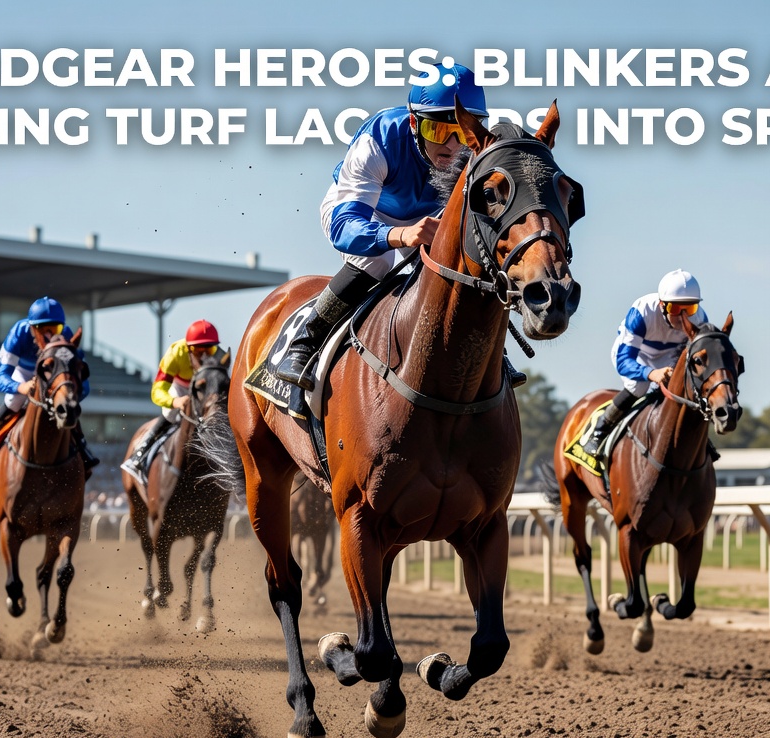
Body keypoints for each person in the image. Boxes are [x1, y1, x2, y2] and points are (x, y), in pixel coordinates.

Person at [272, 61, 526, 391]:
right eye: (436, 130)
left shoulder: (478, 153)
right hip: (363, 211)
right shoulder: (379, 140)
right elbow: (344, 226)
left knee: (453, 264)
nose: (451, 146)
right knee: (378, 263)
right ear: (412, 122)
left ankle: (494, 351)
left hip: (425, 219)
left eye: (461, 131)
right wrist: (401, 235)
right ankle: (305, 341)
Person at [581, 269, 710, 457]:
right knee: (638, 387)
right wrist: (651, 373)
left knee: (684, 389)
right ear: (661, 305)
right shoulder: (642, 311)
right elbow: (624, 360)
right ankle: (599, 430)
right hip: (637, 353)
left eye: (689, 308)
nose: (682, 316)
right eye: (674, 309)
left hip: (670, 355)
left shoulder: (699, 320)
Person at [0, 297, 97, 474]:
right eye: (43, 329)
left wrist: (66, 396)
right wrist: (22, 387)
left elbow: (85, 386)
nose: (50, 335)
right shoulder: (19, 333)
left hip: (52, 375)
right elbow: (0, 377)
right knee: (14, 399)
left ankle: (81, 446)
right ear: (32, 328)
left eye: (56, 328)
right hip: (24, 372)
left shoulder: (67, 335)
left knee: (66, 404)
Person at [121, 319, 229, 485]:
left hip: (204, 389)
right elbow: (157, 391)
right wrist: (175, 401)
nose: (204, 354)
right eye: (197, 349)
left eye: (208, 348)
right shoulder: (175, 354)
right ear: (188, 347)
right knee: (170, 413)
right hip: (181, 387)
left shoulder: (219, 356)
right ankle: (140, 454)